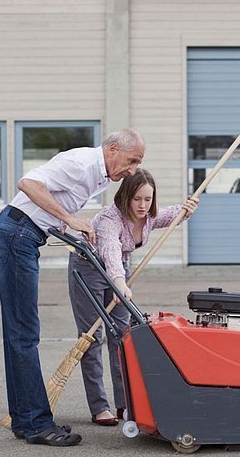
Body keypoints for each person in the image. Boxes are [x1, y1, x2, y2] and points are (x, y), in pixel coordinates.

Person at [0, 129, 145, 447]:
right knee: (25, 333)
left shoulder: (100, 176)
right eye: (131, 161)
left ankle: (24, 419)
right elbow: (28, 184)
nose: (132, 171)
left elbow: (51, 202)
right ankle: (36, 423)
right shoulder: (83, 163)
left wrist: (69, 226)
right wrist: (70, 218)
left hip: (22, 235)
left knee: (18, 333)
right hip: (17, 235)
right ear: (113, 149)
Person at [68, 169, 198, 426]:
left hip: (119, 271)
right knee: (91, 338)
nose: (142, 205)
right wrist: (118, 282)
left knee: (122, 337)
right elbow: (110, 251)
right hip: (89, 269)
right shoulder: (110, 219)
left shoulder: (148, 217)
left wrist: (187, 208)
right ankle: (99, 407)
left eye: (148, 200)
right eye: (137, 199)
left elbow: (169, 215)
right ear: (126, 196)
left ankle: (124, 403)